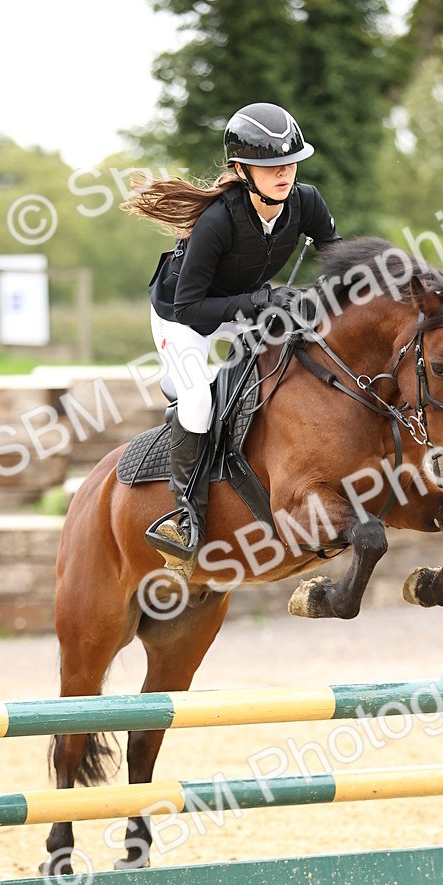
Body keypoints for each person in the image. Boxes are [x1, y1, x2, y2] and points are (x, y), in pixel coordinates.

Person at [121, 101, 342, 580]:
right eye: (270, 166)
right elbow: (189, 308)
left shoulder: (306, 202)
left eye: (290, 163)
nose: (284, 174)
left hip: (244, 306)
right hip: (185, 317)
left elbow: (342, 269)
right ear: (242, 170)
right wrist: (264, 304)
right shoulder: (217, 222)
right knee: (198, 401)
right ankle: (184, 520)